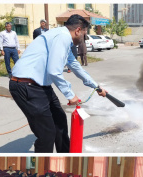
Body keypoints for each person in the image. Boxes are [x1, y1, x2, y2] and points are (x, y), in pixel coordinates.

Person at [9, 14, 107, 153]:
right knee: (47, 134)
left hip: (40, 86)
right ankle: (43, 169)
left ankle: (66, 157)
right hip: (26, 85)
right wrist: (70, 94)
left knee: (60, 122)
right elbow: (54, 71)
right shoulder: (62, 37)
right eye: (84, 35)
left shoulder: (63, 38)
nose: (83, 39)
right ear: (78, 30)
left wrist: (96, 87)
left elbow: (75, 66)